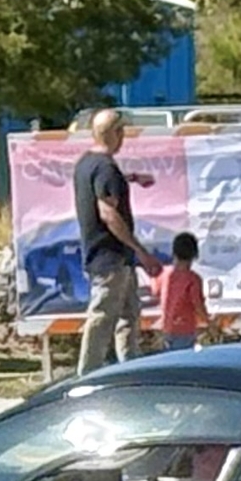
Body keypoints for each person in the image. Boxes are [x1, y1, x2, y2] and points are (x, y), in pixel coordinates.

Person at [72, 107, 162, 375]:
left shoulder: (87, 163)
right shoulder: (106, 167)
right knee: (103, 317)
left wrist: (131, 179)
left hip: (114, 258)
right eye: (120, 131)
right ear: (112, 133)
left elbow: (102, 189)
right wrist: (142, 252)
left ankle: (129, 369)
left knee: (128, 314)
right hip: (110, 256)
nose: (123, 137)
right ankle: (87, 373)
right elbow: (108, 214)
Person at [158, 231, 209, 351]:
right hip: (185, 329)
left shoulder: (165, 275)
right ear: (195, 254)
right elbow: (197, 304)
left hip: (167, 327)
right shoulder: (193, 279)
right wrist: (208, 321)